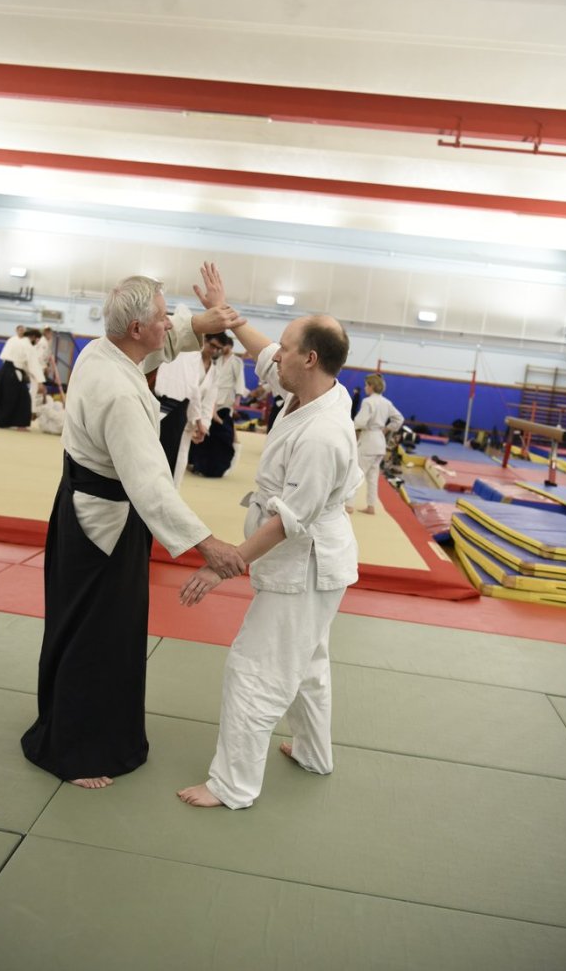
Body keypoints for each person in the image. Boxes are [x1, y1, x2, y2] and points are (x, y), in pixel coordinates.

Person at [21, 270, 247, 789]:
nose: (169, 322)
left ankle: (75, 730)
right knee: (97, 633)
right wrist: (207, 545)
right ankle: (75, 752)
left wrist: (204, 319)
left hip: (83, 509)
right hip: (104, 521)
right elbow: (150, 485)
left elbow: (158, 346)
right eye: (163, 315)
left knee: (87, 625)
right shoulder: (120, 394)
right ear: (138, 327)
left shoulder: (102, 352)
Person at [177, 264, 363, 810]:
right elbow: (261, 350)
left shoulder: (324, 434)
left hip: (304, 567)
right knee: (308, 664)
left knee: (255, 670)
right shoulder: (313, 387)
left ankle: (232, 785)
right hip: (314, 562)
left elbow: (287, 522)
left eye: (286, 348)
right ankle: (313, 752)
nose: (275, 355)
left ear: (310, 358)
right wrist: (227, 313)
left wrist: (226, 563)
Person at [154, 333, 222, 487]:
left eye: (218, 348)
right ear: (204, 341)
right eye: (212, 345)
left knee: (180, 463)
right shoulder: (187, 357)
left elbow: (209, 401)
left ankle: (172, 494)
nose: (214, 350)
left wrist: (203, 425)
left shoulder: (215, 371)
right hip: (174, 412)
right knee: (163, 458)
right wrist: (197, 420)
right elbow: (193, 391)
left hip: (191, 423)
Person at [190, 331, 248, 477]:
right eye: (214, 346)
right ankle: (199, 462)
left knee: (229, 433)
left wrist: (237, 400)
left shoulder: (237, 361)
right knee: (211, 433)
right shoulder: (216, 360)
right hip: (211, 398)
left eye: (221, 347)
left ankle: (231, 461)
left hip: (227, 401)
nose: (218, 350)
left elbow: (239, 381)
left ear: (230, 346)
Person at [352, 373, 404, 514]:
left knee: (356, 474)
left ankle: (349, 504)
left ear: (371, 386)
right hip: (380, 442)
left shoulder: (368, 402)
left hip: (368, 440)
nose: (365, 388)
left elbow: (360, 422)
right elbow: (399, 419)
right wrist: (387, 428)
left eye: (366, 385)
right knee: (373, 477)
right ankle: (371, 506)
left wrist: (352, 428)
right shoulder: (386, 402)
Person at [0, 327, 45, 428]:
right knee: (22, 398)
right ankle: (15, 423)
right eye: (37, 339)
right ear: (34, 337)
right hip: (14, 373)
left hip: (4, 370)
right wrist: (40, 381)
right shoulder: (28, 346)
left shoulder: (13, 340)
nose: (37, 342)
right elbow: (33, 364)